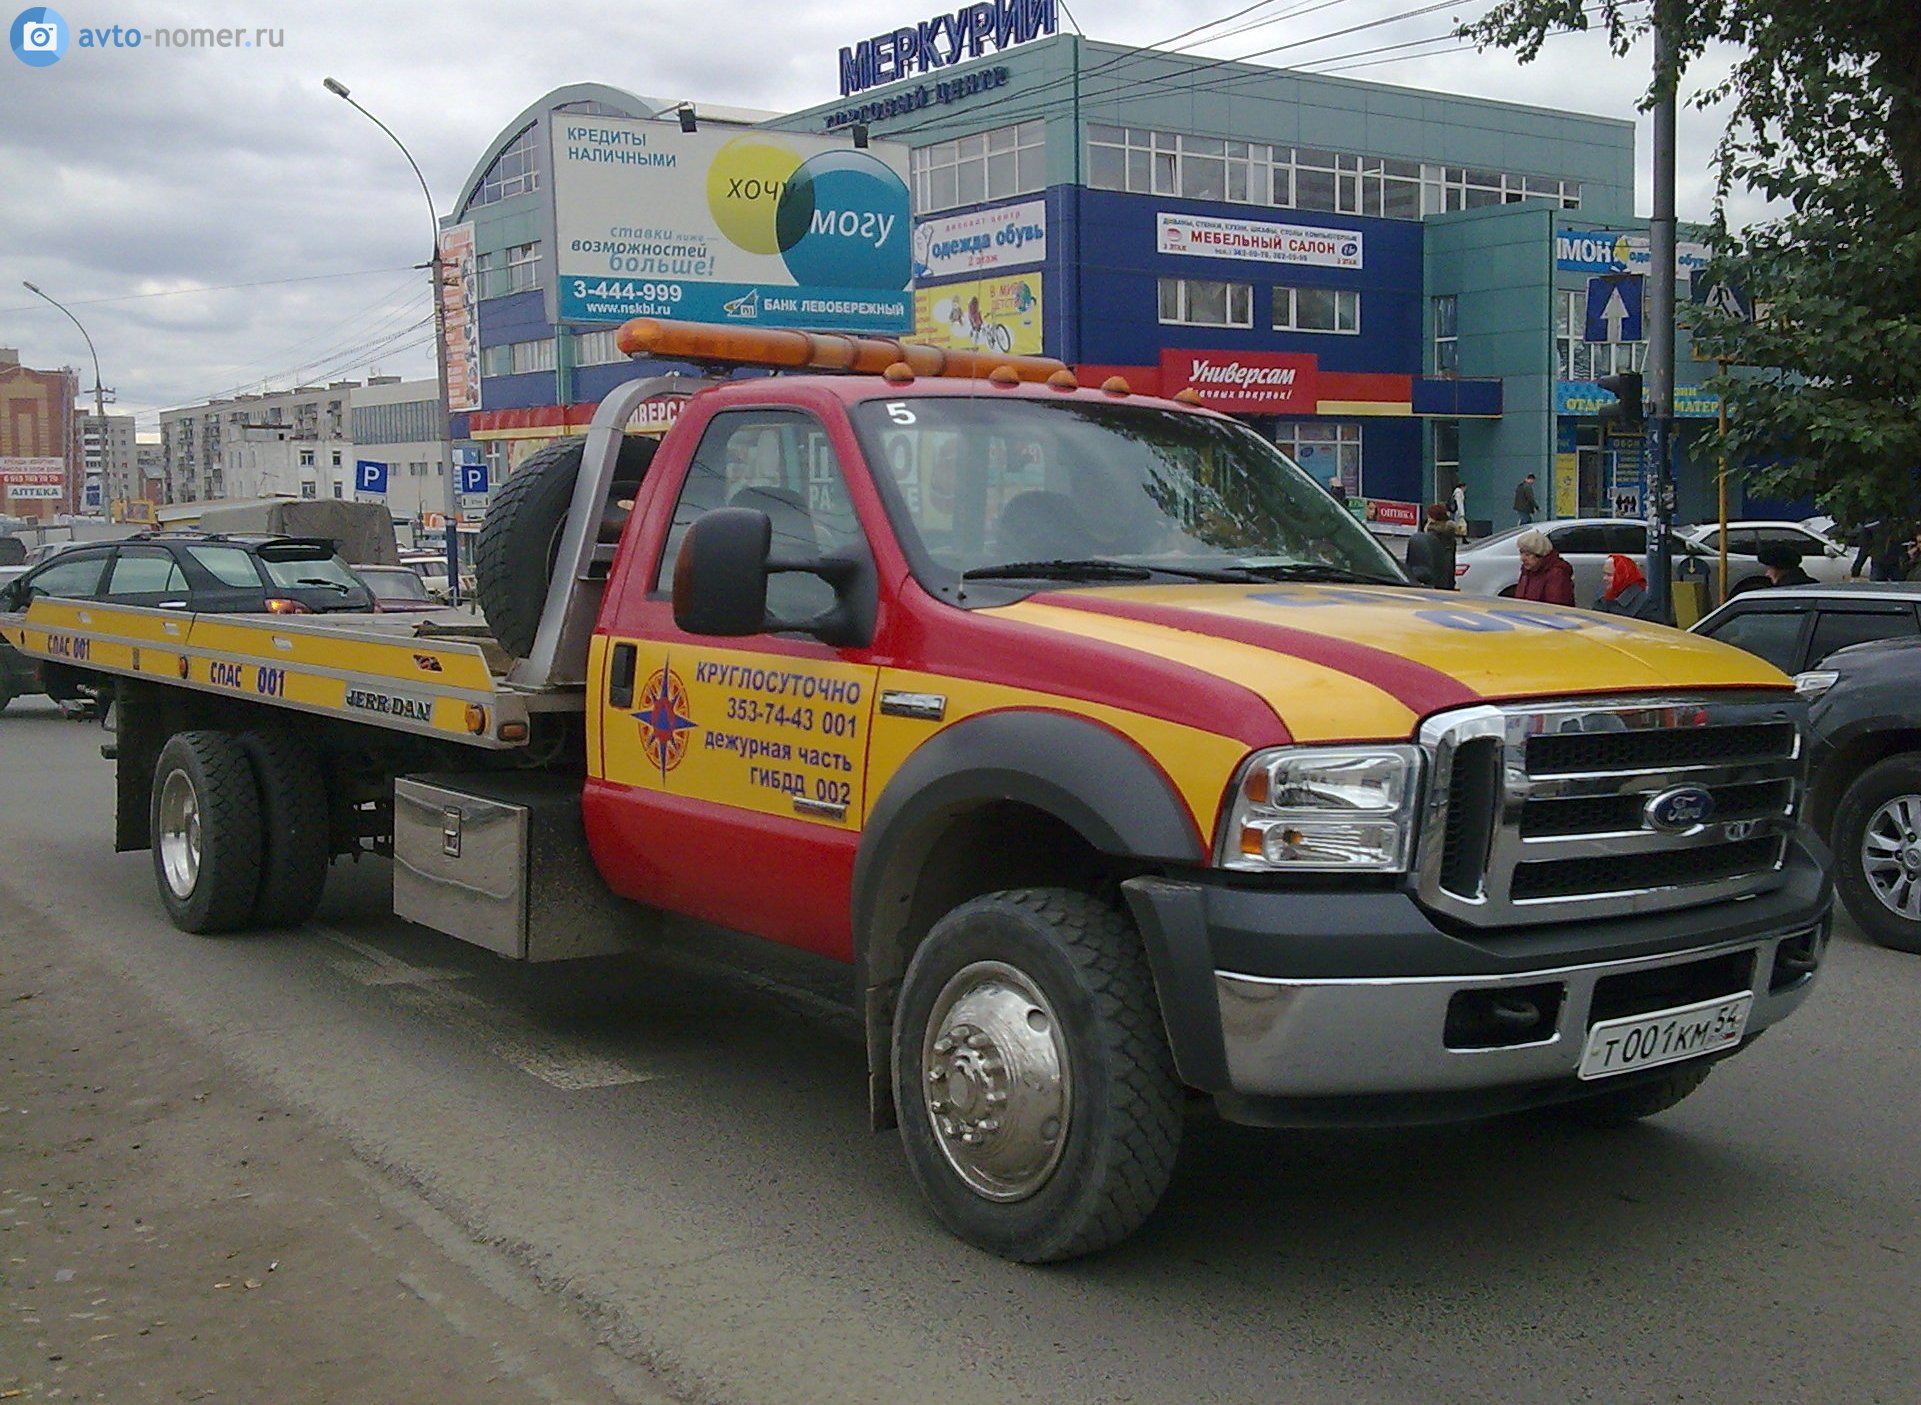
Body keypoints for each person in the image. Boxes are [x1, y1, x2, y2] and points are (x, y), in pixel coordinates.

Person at [1405, 502, 1465, 589]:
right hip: (1446, 584)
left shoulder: (1430, 538)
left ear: (1432, 519)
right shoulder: (1450, 538)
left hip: (1433, 585)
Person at [1512, 527, 1574, 604]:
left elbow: (1556, 606)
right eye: (1521, 553)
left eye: (1528, 554)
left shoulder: (1557, 574)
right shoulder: (1527, 571)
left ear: (1540, 555)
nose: (1523, 558)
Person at [1593, 552, 1662, 619]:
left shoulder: (1645, 606)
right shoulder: (1603, 601)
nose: (1604, 578)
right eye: (1604, 574)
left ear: (1623, 576)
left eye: (1609, 575)